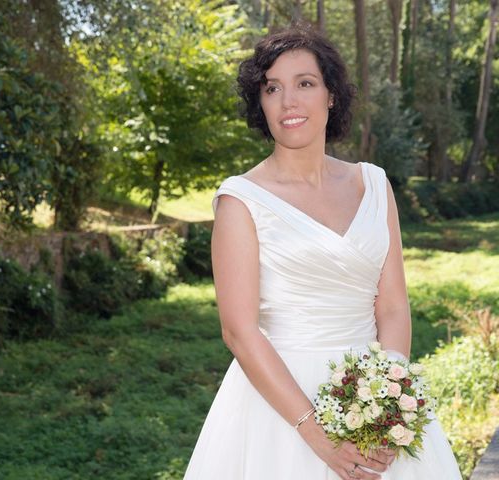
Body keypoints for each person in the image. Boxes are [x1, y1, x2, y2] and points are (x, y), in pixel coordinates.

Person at [183, 27, 462, 480]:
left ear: (332, 95)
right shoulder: (241, 201)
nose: (289, 100)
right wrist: (321, 437)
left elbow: (391, 307)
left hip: (372, 404)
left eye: (305, 83)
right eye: (272, 88)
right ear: (261, 103)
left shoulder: (373, 185)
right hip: (279, 416)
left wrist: (385, 412)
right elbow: (239, 332)